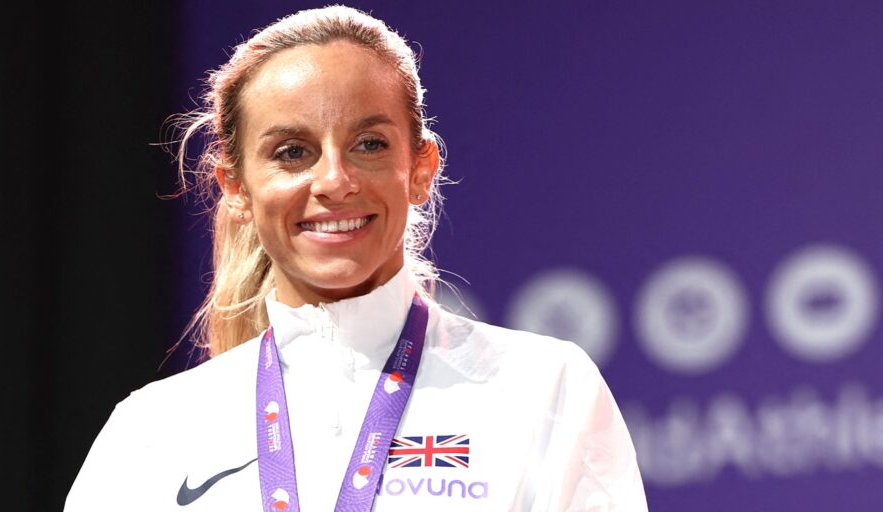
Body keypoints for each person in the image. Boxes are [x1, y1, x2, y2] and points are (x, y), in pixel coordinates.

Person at [66, 5, 647, 511]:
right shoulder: (151, 431)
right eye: (292, 152)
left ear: (420, 169)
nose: (334, 181)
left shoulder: (545, 388)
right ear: (236, 188)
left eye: (369, 144)